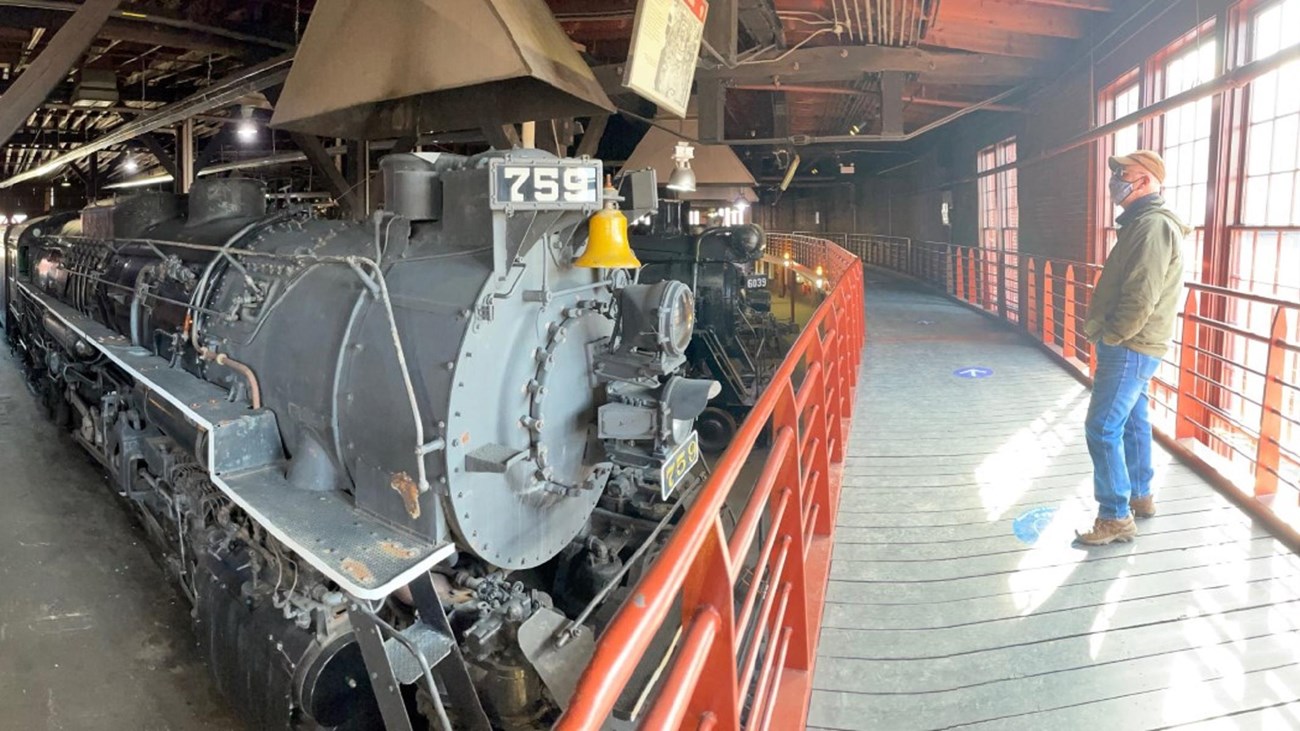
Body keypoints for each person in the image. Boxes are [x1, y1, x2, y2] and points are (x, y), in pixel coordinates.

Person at [1076, 150, 1191, 546]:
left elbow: (1142, 293)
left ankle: (1114, 515)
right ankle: (1140, 495)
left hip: (1130, 345)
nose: (1115, 181)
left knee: (1102, 427)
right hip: (1137, 345)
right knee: (1133, 420)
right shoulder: (1143, 223)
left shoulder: (1151, 226)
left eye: (1123, 174)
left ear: (1145, 181)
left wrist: (1113, 336)